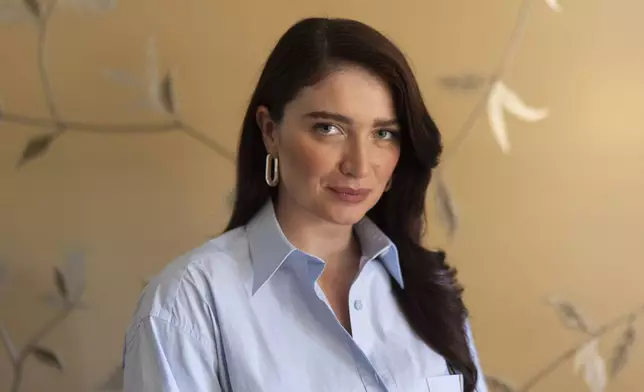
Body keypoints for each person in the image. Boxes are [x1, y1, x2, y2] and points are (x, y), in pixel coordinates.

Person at [123, 17, 488, 392]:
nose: (359, 165)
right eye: (329, 128)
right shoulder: (186, 304)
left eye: (383, 133)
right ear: (270, 131)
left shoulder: (428, 289)